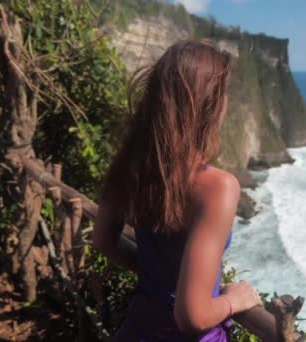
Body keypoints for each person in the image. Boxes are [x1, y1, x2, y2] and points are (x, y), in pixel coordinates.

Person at [92, 40, 263, 341]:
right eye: (224, 94)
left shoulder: (132, 164)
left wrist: (161, 282)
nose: (226, 103)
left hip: (137, 328)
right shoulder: (218, 188)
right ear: (208, 105)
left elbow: (104, 240)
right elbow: (193, 316)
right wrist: (235, 300)